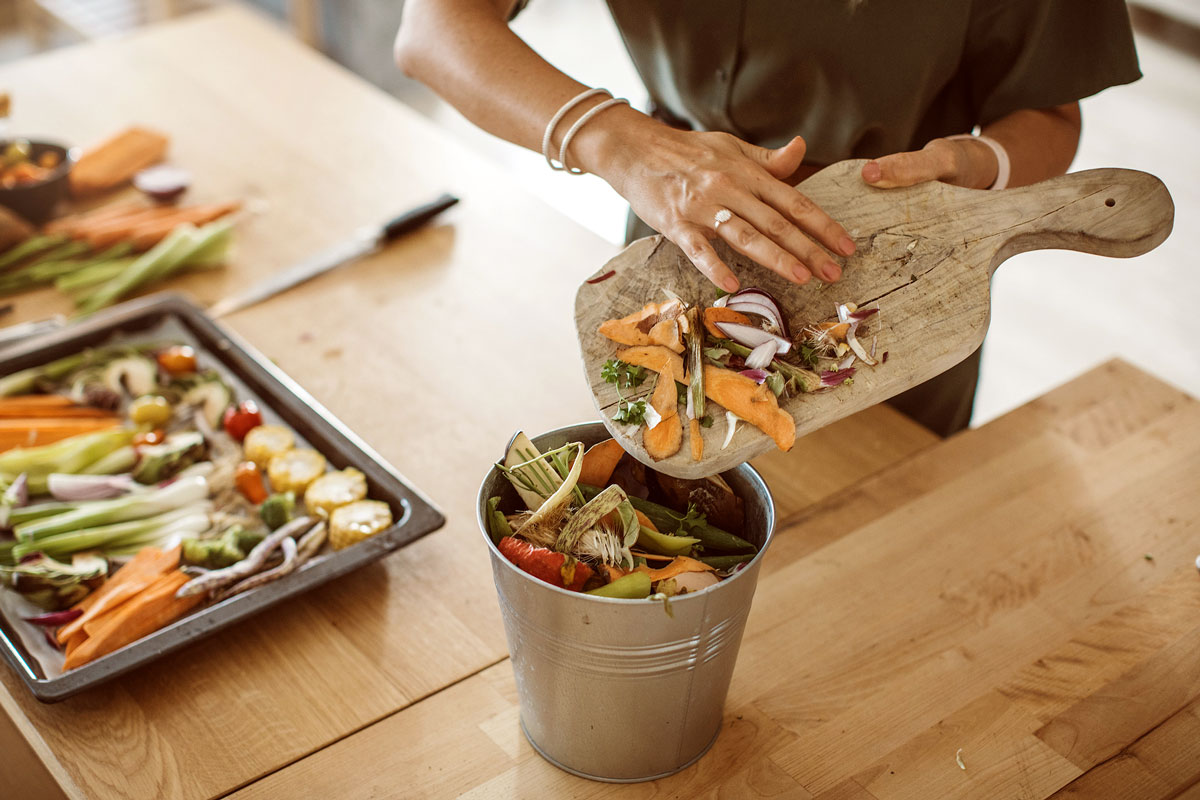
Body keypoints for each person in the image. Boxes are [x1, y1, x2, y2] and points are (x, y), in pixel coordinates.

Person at [394, 0, 1140, 435]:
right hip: (680, 242)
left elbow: (1046, 106)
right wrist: (624, 145)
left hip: (903, 273)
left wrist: (976, 169)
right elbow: (434, 25)